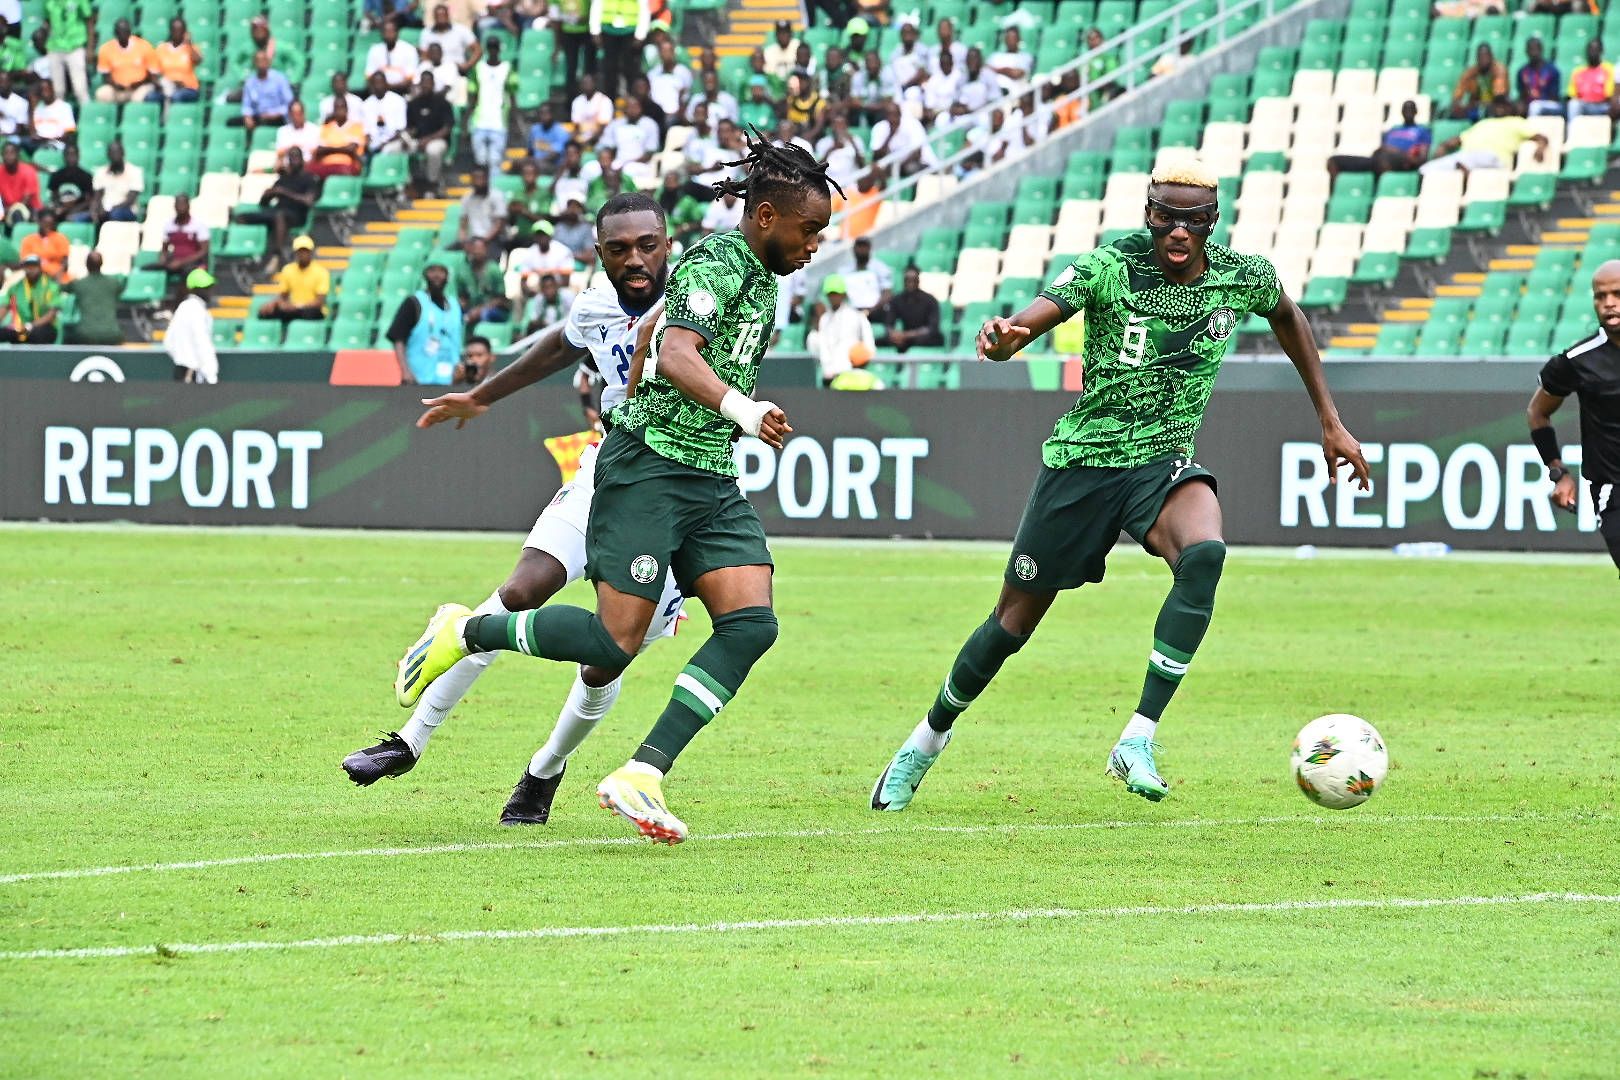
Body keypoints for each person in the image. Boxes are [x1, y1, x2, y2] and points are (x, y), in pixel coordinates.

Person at [868, 151, 1370, 812]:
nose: (1178, 233)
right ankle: (924, 743)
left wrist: (1330, 421)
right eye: (1165, 219)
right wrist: (1006, 339)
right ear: (1149, 215)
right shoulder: (1111, 266)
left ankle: (1137, 736)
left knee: (1205, 554)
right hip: (1082, 466)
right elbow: (1038, 314)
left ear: (1213, 222)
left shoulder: (1242, 277)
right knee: (1011, 625)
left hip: (1160, 462)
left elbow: (1288, 316)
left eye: (1192, 222)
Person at [394, 136, 839, 844]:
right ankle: (466, 631)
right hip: (648, 469)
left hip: (708, 474)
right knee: (613, 640)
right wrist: (745, 411)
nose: (816, 243)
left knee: (752, 623)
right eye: (809, 228)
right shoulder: (718, 262)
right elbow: (675, 350)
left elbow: (647, 351)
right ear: (764, 218)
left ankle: (642, 773)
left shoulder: (762, 276)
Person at [343, 193, 685, 827]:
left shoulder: (698, 297)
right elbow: (558, 347)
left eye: (647, 245)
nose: (635, 259)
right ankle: (407, 740)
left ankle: (543, 773)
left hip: (675, 498)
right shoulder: (595, 305)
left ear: (668, 244)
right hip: (607, 472)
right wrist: (480, 396)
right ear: (600, 254)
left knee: (607, 653)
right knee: (520, 590)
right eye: (619, 249)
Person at [1528, 260, 1620, 576]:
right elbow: (1538, 412)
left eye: (1618, 294)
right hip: (1614, 490)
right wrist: (1558, 473)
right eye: (1600, 296)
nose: (1609, 303)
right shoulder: (1577, 361)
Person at [1421, 98, 1549, 174]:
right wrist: (1443, 145)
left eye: (1503, 106)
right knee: (1426, 170)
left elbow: (1541, 137)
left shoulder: (1516, 121)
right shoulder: (1483, 123)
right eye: (1497, 105)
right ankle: (1462, 176)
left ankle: (1465, 176)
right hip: (1467, 155)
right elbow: (1459, 139)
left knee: (1464, 161)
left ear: (1509, 108)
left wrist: (1540, 148)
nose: (1500, 109)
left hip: (1495, 157)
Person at [387, 262, 463, 384]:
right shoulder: (414, 302)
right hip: (419, 378)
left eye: (441, 271)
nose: (437, 275)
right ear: (424, 275)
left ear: (448, 276)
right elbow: (398, 338)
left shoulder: (455, 305)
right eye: (432, 270)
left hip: (451, 379)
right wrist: (406, 372)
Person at [1327, 99, 1431, 183]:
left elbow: (1422, 157)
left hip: (1401, 162)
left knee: (1383, 162)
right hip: (1378, 159)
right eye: (1405, 109)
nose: (1408, 112)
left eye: (1411, 110)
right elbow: (1383, 147)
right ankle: (1339, 193)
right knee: (1333, 161)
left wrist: (1398, 153)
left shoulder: (1422, 130)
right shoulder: (1393, 129)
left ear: (1416, 112)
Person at [807, 274, 874, 385]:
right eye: (830, 294)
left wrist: (859, 365)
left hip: (851, 373)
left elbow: (869, 345)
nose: (833, 297)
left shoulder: (857, 316)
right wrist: (827, 368)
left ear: (843, 295)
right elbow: (823, 346)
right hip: (829, 375)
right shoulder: (824, 319)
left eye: (836, 294)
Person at [467, 35, 513, 171]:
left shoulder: (507, 68)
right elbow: (473, 95)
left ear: (499, 49)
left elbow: (512, 94)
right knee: (480, 161)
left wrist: (514, 119)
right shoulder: (479, 68)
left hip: (499, 122)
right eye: (490, 47)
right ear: (487, 49)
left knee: (495, 160)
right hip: (479, 121)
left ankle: (493, 190)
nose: (493, 50)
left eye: (495, 47)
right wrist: (467, 119)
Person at [872, 265, 943, 352]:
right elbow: (889, 323)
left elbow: (932, 328)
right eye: (907, 280)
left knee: (928, 339)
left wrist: (907, 335)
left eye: (913, 280)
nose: (910, 284)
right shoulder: (897, 300)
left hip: (924, 338)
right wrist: (894, 334)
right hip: (904, 338)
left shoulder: (930, 300)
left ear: (918, 281)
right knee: (878, 342)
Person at [165, 268, 218, 383]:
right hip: (192, 374)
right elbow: (201, 341)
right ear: (193, 290)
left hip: (181, 371)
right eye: (204, 288)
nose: (209, 292)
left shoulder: (183, 307)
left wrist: (181, 358)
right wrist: (211, 374)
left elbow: (168, 342)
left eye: (208, 288)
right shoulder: (197, 310)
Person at [404, 71, 453, 195]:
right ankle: (408, 186)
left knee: (433, 150)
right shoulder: (413, 104)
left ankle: (432, 184)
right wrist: (407, 136)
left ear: (433, 84)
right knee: (396, 149)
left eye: (428, 83)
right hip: (418, 141)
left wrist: (429, 139)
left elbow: (447, 128)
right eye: (423, 83)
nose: (425, 85)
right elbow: (411, 127)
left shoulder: (442, 102)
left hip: (439, 140)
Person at [259, 235, 328, 321]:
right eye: (300, 251)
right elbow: (283, 295)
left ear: (310, 252)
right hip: (293, 308)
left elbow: (319, 301)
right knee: (265, 313)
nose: (303, 254)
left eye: (305, 251)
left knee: (311, 312)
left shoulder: (321, 272)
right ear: (296, 253)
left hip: (309, 309)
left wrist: (298, 306)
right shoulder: (288, 270)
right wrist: (278, 304)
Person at [591, 0, 649, 100]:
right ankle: (610, 101)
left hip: (630, 29)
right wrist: (595, 29)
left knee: (630, 69)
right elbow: (597, 3)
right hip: (608, 29)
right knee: (609, 69)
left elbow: (644, 7)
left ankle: (633, 101)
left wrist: (641, 33)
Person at [94, 18, 158, 103]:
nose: (123, 34)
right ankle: (108, 115)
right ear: (115, 33)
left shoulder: (144, 46)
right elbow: (106, 76)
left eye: (125, 31)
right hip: (117, 88)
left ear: (130, 32)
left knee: (137, 99)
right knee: (102, 94)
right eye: (120, 32)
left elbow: (152, 75)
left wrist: (138, 83)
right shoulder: (106, 49)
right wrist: (116, 85)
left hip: (140, 86)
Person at [65, 250, 122, 344]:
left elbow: (60, 286)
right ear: (102, 264)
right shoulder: (114, 283)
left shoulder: (78, 284)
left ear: (86, 265)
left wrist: (61, 270)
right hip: (112, 334)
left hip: (86, 334)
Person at [42, 0, 94, 104]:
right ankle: (59, 119)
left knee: (80, 90)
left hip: (75, 45)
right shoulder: (49, 2)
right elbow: (47, 21)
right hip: (55, 47)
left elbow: (89, 21)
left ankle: (86, 116)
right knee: (57, 91)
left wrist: (90, 48)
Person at [0, 254, 59, 342]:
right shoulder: (16, 287)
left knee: (37, 334)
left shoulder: (51, 286)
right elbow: (4, 308)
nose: (31, 269)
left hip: (43, 327)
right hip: (21, 328)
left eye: (34, 266)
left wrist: (31, 326)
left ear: (39, 268)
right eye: (28, 266)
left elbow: (51, 314)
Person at [234, 50, 294, 131]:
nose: (261, 63)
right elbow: (246, 105)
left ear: (269, 62)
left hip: (277, 117)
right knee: (232, 122)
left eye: (263, 60)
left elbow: (290, 103)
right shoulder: (250, 82)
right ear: (254, 63)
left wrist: (275, 114)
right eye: (258, 61)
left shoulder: (279, 79)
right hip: (259, 117)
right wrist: (247, 117)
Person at [456, 235, 508, 324]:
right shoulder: (464, 271)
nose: (477, 251)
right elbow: (463, 297)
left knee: (484, 314)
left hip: (493, 310)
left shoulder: (494, 270)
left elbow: (500, 299)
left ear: (486, 250)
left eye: (480, 248)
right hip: (471, 309)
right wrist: (462, 305)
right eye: (475, 248)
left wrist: (480, 310)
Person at [308, 97, 365, 177]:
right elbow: (320, 150)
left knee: (343, 171)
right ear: (333, 110)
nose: (340, 110)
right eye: (337, 108)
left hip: (347, 164)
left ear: (347, 109)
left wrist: (329, 148)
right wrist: (343, 148)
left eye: (342, 107)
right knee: (308, 169)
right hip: (326, 164)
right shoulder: (326, 128)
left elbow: (352, 149)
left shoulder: (356, 127)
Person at [1450, 43, 1508, 121]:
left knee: (1498, 110)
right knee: (1455, 112)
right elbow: (1458, 93)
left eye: (1485, 56)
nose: (1483, 59)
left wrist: (1481, 104)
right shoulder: (1471, 73)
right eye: (1480, 56)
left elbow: (1499, 95)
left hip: (1495, 106)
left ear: (1491, 56)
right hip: (1476, 106)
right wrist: (1457, 103)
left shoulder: (1499, 70)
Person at [456, 164, 507, 253]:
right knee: (446, 255)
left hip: (492, 240)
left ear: (487, 178)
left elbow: (499, 225)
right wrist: (464, 242)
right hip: (473, 239)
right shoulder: (466, 198)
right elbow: (463, 226)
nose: (478, 181)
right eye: (476, 178)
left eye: (481, 178)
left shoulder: (497, 196)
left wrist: (483, 241)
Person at [87, 138, 140, 223]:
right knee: (76, 219)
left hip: (126, 210)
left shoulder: (134, 171)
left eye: (117, 152)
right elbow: (97, 196)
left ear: (123, 153)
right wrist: (94, 210)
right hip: (104, 210)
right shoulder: (101, 172)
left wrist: (110, 210)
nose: (115, 155)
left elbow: (130, 200)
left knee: (115, 214)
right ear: (108, 155)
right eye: (112, 153)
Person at [365, 17, 420, 94]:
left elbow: (409, 80)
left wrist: (388, 88)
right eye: (386, 32)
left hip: (403, 91)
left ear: (397, 33)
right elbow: (369, 77)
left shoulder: (409, 50)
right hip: (380, 93)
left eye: (391, 31)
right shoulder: (375, 50)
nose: (388, 35)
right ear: (382, 34)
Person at [418, 3, 479, 72]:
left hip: (457, 70)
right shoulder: (426, 32)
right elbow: (424, 55)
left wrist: (467, 65)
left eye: (443, 15)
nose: (441, 18)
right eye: (438, 16)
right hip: (435, 70)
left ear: (448, 15)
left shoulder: (461, 30)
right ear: (434, 17)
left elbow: (477, 50)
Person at [1565, 40, 1614, 124]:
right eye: (1590, 49)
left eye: (1595, 49)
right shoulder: (1578, 71)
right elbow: (1571, 95)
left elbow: (1609, 96)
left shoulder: (1608, 69)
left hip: (1602, 107)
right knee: (1574, 104)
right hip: (1583, 106)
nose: (1592, 53)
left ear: (1601, 51)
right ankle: (1572, 134)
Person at [361, 70, 408, 155]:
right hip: (374, 143)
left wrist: (384, 144)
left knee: (386, 150)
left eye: (380, 83)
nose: (378, 86)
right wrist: (368, 144)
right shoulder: (366, 104)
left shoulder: (398, 101)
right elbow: (366, 131)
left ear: (386, 84)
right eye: (375, 83)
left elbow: (400, 130)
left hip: (393, 141)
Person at [154, 17, 201, 103]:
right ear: (171, 31)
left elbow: (198, 60)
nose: (178, 33)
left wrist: (189, 44)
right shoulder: (161, 48)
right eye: (175, 30)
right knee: (152, 97)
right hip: (167, 86)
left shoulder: (191, 48)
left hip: (188, 88)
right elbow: (155, 72)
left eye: (180, 30)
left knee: (176, 96)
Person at [1517, 36, 1562, 118]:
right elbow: (1521, 95)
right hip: (1529, 104)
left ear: (1541, 50)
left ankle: (1532, 130)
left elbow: (1554, 96)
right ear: (1526, 51)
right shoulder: (1522, 71)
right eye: (1530, 49)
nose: (1533, 52)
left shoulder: (1552, 70)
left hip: (1550, 104)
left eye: (1536, 49)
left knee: (1535, 106)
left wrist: (1537, 100)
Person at [20, 206, 69, 282]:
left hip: (56, 273)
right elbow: (25, 261)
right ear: (39, 222)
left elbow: (65, 262)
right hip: (33, 273)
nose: (48, 227)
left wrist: (59, 273)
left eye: (51, 224)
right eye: (45, 223)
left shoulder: (61, 238)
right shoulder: (28, 239)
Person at [646, 39, 691, 120]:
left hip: (675, 115)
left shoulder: (683, 72)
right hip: (655, 114)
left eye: (668, 51)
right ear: (659, 54)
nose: (666, 54)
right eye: (663, 51)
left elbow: (686, 95)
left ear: (673, 52)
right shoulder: (652, 74)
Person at [47, 142, 92, 220]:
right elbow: (54, 197)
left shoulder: (86, 176)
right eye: (68, 154)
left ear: (78, 156)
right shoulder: (56, 175)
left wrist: (72, 211)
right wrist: (58, 208)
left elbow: (89, 201)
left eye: (74, 154)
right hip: (60, 209)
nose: (71, 157)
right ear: (64, 156)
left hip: (78, 210)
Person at [274, 100, 321, 168]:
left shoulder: (314, 129)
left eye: (299, 113)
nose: (296, 117)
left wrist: (292, 147)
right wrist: (298, 147)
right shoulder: (282, 131)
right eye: (294, 114)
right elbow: (280, 152)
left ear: (304, 113)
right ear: (290, 114)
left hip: (308, 167)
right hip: (288, 168)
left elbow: (315, 151)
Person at [29, 78, 74, 149]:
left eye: (47, 90)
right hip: (39, 144)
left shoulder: (64, 107)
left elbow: (69, 133)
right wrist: (32, 108)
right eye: (42, 91)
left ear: (52, 89)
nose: (44, 93)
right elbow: (33, 133)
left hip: (58, 144)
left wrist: (51, 139)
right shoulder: (37, 107)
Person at [570, 71, 613, 145]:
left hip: (601, 139)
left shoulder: (604, 100)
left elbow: (603, 127)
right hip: (582, 138)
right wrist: (574, 140)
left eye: (589, 82)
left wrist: (588, 142)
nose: (587, 85)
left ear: (595, 83)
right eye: (584, 83)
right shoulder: (577, 101)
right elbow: (576, 126)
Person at [0, 138, 37, 222]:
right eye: (6, 153)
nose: (9, 156)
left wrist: (8, 210)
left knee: (17, 213)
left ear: (18, 155)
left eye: (12, 153)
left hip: (28, 209)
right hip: (6, 210)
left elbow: (26, 201)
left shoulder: (28, 171)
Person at [529, 101, 570, 169]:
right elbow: (530, 151)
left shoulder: (560, 131)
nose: (544, 116)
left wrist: (537, 161)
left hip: (554, 165)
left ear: (552, 114)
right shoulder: (534, 129)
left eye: (546, 113)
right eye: (541, 113)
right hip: (535, 163)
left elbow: (556, 155)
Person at [762, 19, 798, 84]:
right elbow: (768, 73)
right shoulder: (768, 51)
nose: (783, 35)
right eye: (780, 33)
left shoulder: (798, 47)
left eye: (786, 32)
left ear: (791, 33)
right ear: (776, 35)